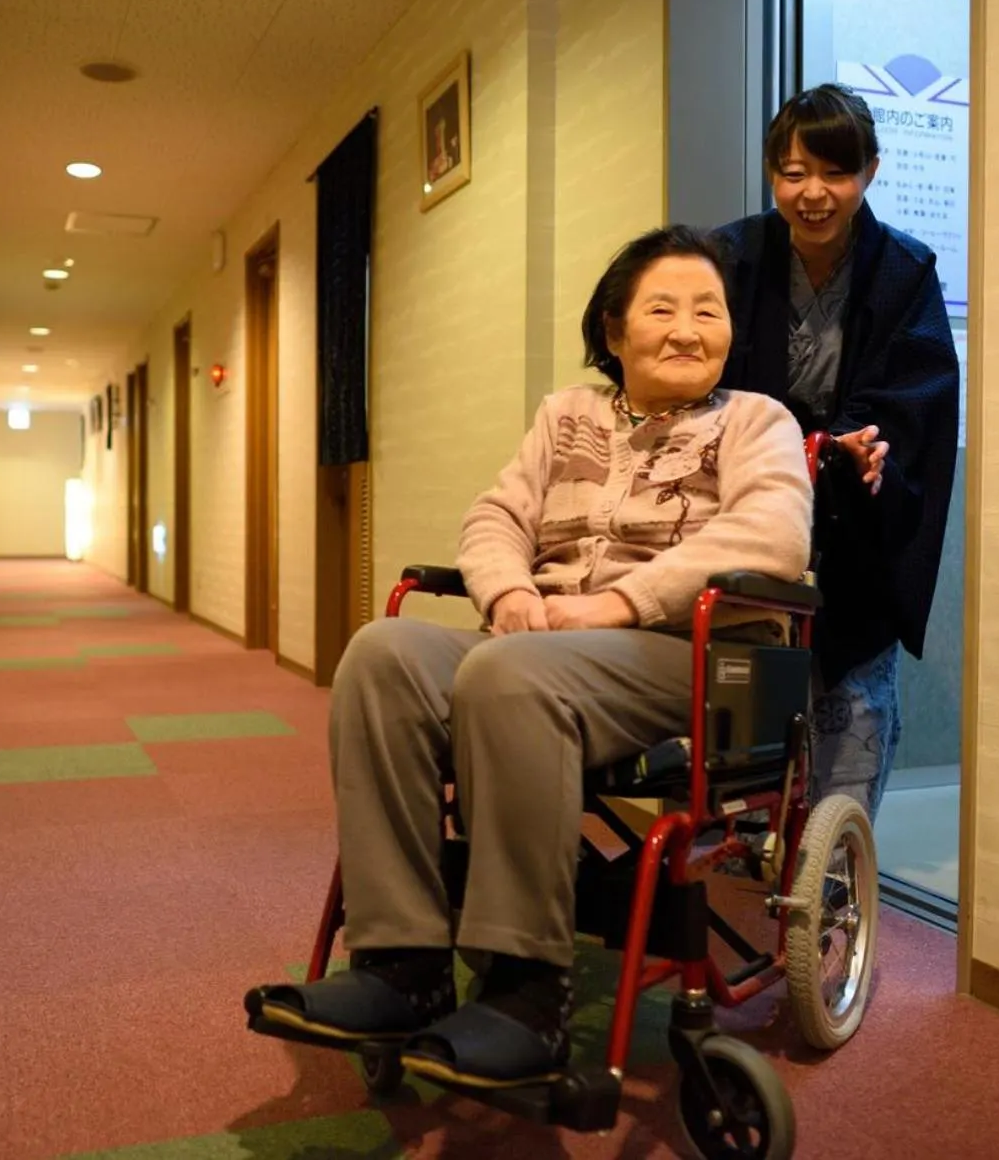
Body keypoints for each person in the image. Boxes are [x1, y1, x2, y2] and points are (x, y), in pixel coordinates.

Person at [247, 225, 813, 1089]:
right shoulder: (567, 416)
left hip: (681, 659)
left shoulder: (754, 421)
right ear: (615, 330)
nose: (690, 329)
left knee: (507, 674)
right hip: (541, 643)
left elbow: (772, 534)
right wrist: (509, 593)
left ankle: (524, 997)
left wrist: (614, 602)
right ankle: (401, 962)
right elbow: (494, 519)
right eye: (662, 308)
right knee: (381, 654)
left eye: (710, 310)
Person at [713, 84, 961, 821]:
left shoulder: (903, 270)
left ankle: (836, 865)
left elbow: (916, 395)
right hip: (753, 499)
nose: (813, 193)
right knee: (741, 688)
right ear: (770, 173)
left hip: (853, 514)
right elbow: (699, 363)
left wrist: (861, 442)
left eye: (836, 173)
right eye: (793, 173)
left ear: (872, 172)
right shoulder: (733, 255)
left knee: (853, 695)